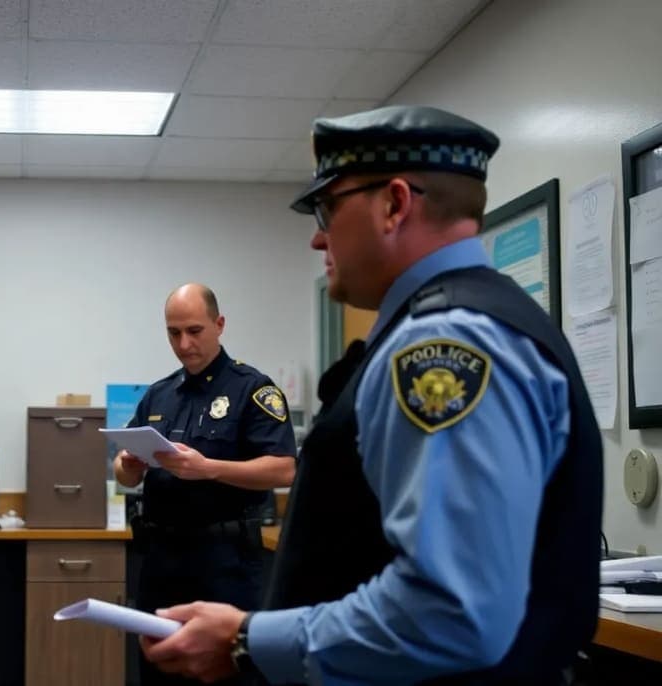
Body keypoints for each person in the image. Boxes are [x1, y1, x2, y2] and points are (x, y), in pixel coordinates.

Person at [140, 106, 603, 685]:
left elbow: (450, 610)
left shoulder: (444, 345)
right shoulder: (472, 320)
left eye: (327, 208)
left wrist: (246, 640)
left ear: (394, 204)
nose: (316, 237)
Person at [114, 283, 298, 686]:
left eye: (194, 331)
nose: (183, 343)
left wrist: (210, 468)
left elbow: (284, 469)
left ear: (219, 325)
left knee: (224, 674)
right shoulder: (159, 394)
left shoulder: (253, 389)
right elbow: (124, 472)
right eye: (173, 333)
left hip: (224, 561)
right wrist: (128, 464)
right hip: (161, 559)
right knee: (159, 669)